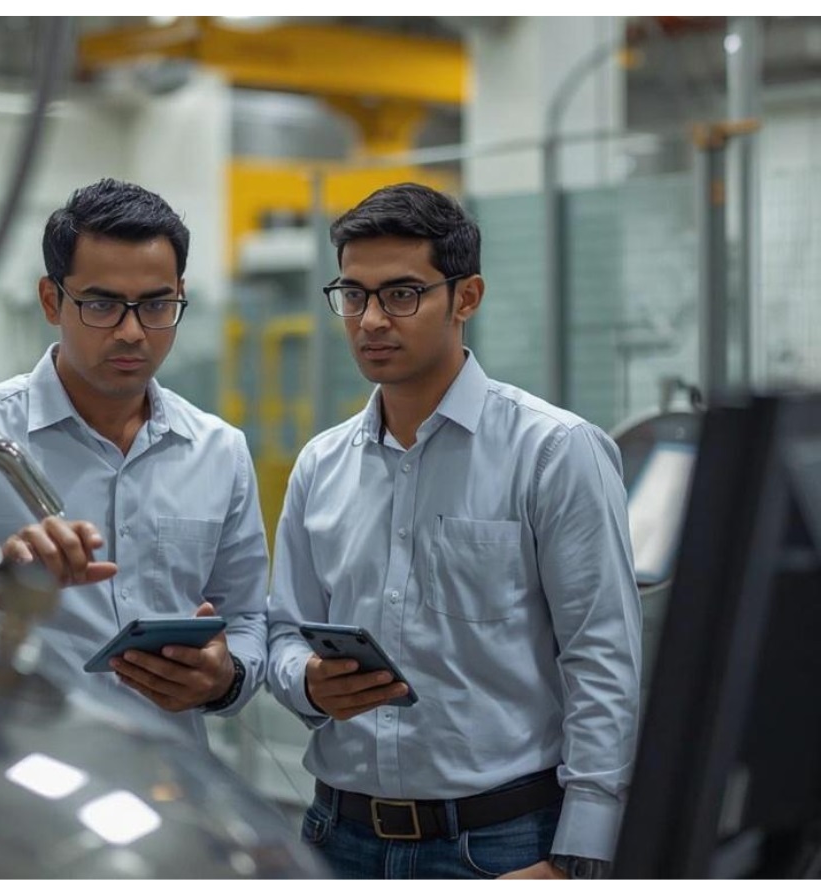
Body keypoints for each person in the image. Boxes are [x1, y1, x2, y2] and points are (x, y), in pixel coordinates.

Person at [265, 183, 643, 879]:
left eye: (402, 294)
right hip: (336, 834)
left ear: (465, 298)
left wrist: (581, 855)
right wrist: (310, 682)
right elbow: (283, 634)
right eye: (353, 295)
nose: (372, 320)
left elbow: (601, 655)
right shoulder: (321, 465)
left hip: (499, 845)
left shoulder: (554, 451)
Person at [0, 179, 269, 746]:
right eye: (101, 305)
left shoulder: (218, 451)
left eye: (155, 305)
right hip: (12, 781)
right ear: (52, 301)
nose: (132, 332)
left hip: (166, 782)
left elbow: (246, 618)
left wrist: (225, 677)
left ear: (179, 295)